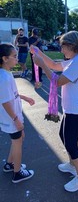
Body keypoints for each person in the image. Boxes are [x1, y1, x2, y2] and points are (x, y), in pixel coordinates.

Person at [30, 31, 78, 192]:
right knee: (63, 136)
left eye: (63, 46)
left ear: (71, 45)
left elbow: (57, 82)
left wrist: (41, 64)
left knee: (71, 144)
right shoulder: (74, 60)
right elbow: (55, 66)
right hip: (71, 109)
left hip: (77, 111)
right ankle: (72, 165)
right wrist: (38, 52)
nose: (61, 50)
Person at [0, 43, 35, 183]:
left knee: (17, 141)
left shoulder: (6, 74)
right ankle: (17, 172)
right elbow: (5, 102)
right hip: (11, 118)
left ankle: (10, 164)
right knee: (18, 141)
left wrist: (24, 97)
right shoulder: (3, 78)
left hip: (11, 117)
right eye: (14, 56)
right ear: (4, 58)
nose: (17, 59)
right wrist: (16, 119)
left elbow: (10, 95)